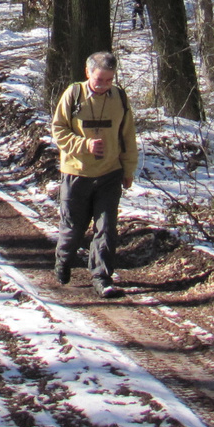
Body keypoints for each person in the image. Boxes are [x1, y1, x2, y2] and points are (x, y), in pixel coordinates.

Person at [51, 51, 138, 298]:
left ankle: (102, 277)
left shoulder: (119, 97)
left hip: (110, 173)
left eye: (109, 80)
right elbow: (58, 130)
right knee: (73, 227)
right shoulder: (73, 94)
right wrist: (83, 145)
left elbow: (127, 136)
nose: (104, 85)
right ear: (87, 72)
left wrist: (128, 169)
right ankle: (63, 260)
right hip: (76, 173)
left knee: (107, 228)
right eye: (100, 80)